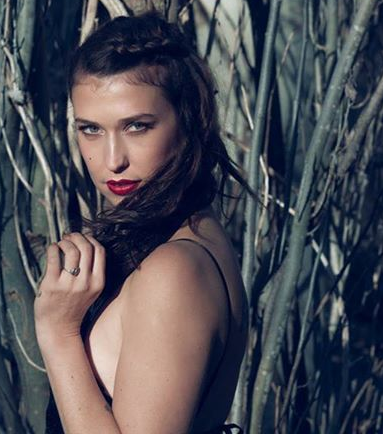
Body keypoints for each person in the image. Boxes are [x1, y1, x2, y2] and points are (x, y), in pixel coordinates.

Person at [34, 11, 249, 434]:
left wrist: (58, 332)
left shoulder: (173, 270)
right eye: (91, 129)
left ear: (188, 120)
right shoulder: (194, 231)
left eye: (137, 126)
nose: (113, 160)